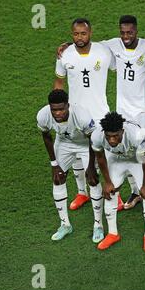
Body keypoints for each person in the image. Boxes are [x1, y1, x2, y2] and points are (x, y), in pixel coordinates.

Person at [54, 18, 119, 211]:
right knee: (76, 153)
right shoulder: (65, 54)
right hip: (74, 115)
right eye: (76, 34)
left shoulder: (104, 51)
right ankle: (82, 192)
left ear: (90, 33)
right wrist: (58, 107)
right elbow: (59, 82)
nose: (79, 37)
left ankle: (116, 191)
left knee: (105, 155)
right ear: (71, 34)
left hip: (100, 113)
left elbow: (121, 69)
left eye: (83, 33)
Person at [37, 89, 104, 243]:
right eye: (54, 110)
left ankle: (98, 225)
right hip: (64, 143)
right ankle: (65, 225)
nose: (58, 113)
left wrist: (91, 168)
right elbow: (46, 136)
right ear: (49, 107)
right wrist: (54, 164)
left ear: (68, 105)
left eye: (61, 109)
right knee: (58, 178)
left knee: (93, 180)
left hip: (85, 144)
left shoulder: (82, 116)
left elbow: (92, 140)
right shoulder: (43, 115)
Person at [91, 111, 145, 252]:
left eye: (116, 136)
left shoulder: (137, 136)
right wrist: (108, 182)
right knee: (110, 192)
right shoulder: (97, 136)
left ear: (122, 130)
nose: (112, 140)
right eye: (109, 136)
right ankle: (113, 233)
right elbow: (101, 158)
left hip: (140, 161)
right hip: (118, 159)